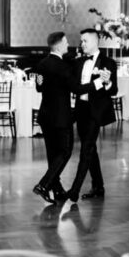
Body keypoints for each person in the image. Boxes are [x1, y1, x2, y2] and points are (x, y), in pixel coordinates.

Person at [64, 28, 117, 202]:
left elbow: (114, 90)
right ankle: (98, 186)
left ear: (95, 42)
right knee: (90, 149)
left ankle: (74, 189)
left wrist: (107, 82)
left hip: (96, 112)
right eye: (82, 41)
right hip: (81, 110)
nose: (82, 44)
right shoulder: (78, 62)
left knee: (86, 149)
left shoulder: (108, 62)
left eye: (85, 41)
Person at [33, 31, 75, 204]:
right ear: (58, 45)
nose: (68, 44)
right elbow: (74, 87)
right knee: (65, 151)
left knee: (53, 154)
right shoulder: (63, 66)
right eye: (66, 42)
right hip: (61, 116)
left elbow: (39, 87)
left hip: (45, 115)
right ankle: (44, 184)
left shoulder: (41, 64)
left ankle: (57, 190)